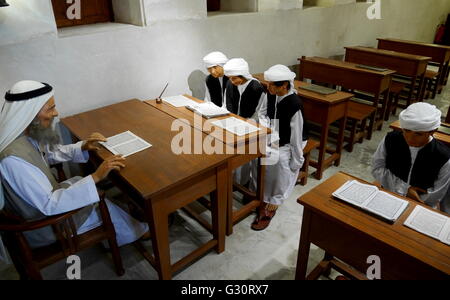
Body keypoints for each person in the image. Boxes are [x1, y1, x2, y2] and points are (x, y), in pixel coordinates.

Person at [0, 80, 149, 249]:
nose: (56, 113)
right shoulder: (12, 160)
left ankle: (123, 223)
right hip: (48, 226)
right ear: (30, 114)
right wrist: (96, 176)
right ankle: (139, 231)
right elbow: (49, 205)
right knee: (100, 200)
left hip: (46, 202)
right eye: (50, 109)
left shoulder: (24, 135)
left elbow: (48, 155)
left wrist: (83, 146)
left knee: (82, 183)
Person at [251, 65, 308, 231]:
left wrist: (297, 160)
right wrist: (268, 128)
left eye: (272, 85)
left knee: (279, 162)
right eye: (267, 84)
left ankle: (274, 200)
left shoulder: (294, 104)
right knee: (256, 156)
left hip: (289, 142)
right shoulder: (270, 94)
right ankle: (260, 192)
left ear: (284, 85)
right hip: (273, 135)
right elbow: (261, 113)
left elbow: (296, 136)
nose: (268, 88)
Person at [372, 102, 450, 215]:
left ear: (432, 131)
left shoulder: (444, 156)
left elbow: (436, 194)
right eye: (406, 131)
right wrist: (405, 189)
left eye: (418, 134)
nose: (410, 139)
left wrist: (414, 198)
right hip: (388, 195)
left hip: (421, 207)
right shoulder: (390, 139)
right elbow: (377, 168)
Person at [223, 58, 266, 186]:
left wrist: (246, 123)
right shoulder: (230, 84)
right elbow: (226, 104)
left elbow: (260, 112)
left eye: (235, 78)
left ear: (244, 75)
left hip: (249, 126)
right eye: (230, 78)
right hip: (232, 124)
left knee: (244, 158)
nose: (232, 81)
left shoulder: (256, 87)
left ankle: (242, 182)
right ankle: (232, 180)